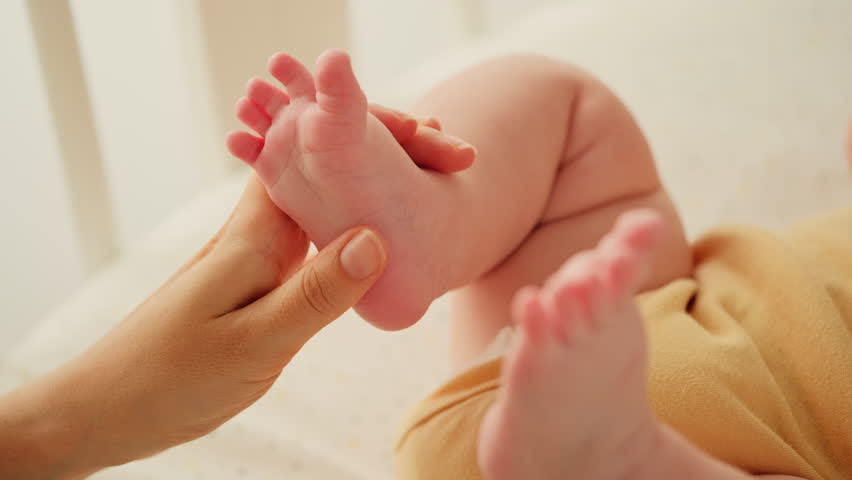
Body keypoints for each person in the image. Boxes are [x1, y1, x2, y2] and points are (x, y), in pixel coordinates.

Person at [227, 49, 852, 479]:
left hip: (690, 437)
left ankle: (623, 461)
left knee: (571, 116)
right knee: (567, 108)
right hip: (604, 335)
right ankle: (427, 219)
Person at [0, 104, 472, 478]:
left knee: (502, 102)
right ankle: (427, 215)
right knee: (504, 95)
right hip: (485, 415)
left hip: (474, 423)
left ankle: (426, 216)